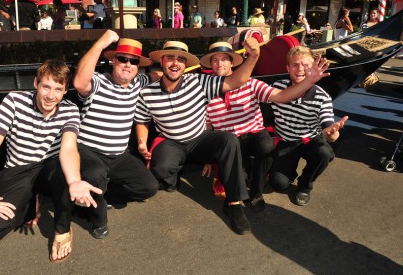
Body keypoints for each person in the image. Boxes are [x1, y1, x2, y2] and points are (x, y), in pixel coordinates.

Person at [0, 59, 102, 263]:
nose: (51, 96)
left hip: (48, 168)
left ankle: (62, 229)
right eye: (46, 87)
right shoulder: (14, 101)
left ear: (65, 90)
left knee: (62, 169)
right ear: (36, 84)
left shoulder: (70, 110)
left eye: (58, 89)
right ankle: (32, 201)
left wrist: (75, 181)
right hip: (18, 171)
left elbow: (68, 148)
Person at [134, 38, 261, 235]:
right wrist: (142, 141)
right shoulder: (146, 92)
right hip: (171, 141)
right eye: (170, 58)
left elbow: (235, 81)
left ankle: (234, 203)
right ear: (162, 62)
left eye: (180, 59)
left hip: (199, 139)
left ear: (185, 64)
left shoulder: (199, 81)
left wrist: (253, 57)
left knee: (228, 140)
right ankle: (172, 176)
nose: (175, 63)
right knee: (161, 168)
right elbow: (142, 120)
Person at [201, 40, 330, 212]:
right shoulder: (203, 89)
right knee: (241, 174)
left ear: (232, 62)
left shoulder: (251, 83)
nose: (219, 63)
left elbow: (282, 96)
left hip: (253, 134)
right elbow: (206, 125)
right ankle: (243, 178)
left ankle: (256, 193)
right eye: (215, 60)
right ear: (210, 64)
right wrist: (208, 157)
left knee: (266, 144)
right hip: (229, 141)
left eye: (224, 59)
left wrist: (309, 81)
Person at [72, 31, 160, 239]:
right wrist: (101, 43)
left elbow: (160, 75)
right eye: (122, 59)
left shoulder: (139, 82)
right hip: (88, 150)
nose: (127, 64)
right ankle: (98, 220)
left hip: (119, 155)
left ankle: (100, 196)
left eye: (133, 61)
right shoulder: (99, 82)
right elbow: (79, 83)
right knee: (94, 174)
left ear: (138, 66)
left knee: (149, 187)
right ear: (113, 61)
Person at [269, 46, 349, 206]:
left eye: (306, 65)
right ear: (287, 68)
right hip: (285, 140)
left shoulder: (322, 97)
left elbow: (328, 126)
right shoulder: (277, 87)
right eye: (295, 65)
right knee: (279, 184)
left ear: (313, 68)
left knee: (324, 153)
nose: (300, 69)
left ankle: (305, 185)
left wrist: (332, 134)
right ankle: (287, 171)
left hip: (310, 140)